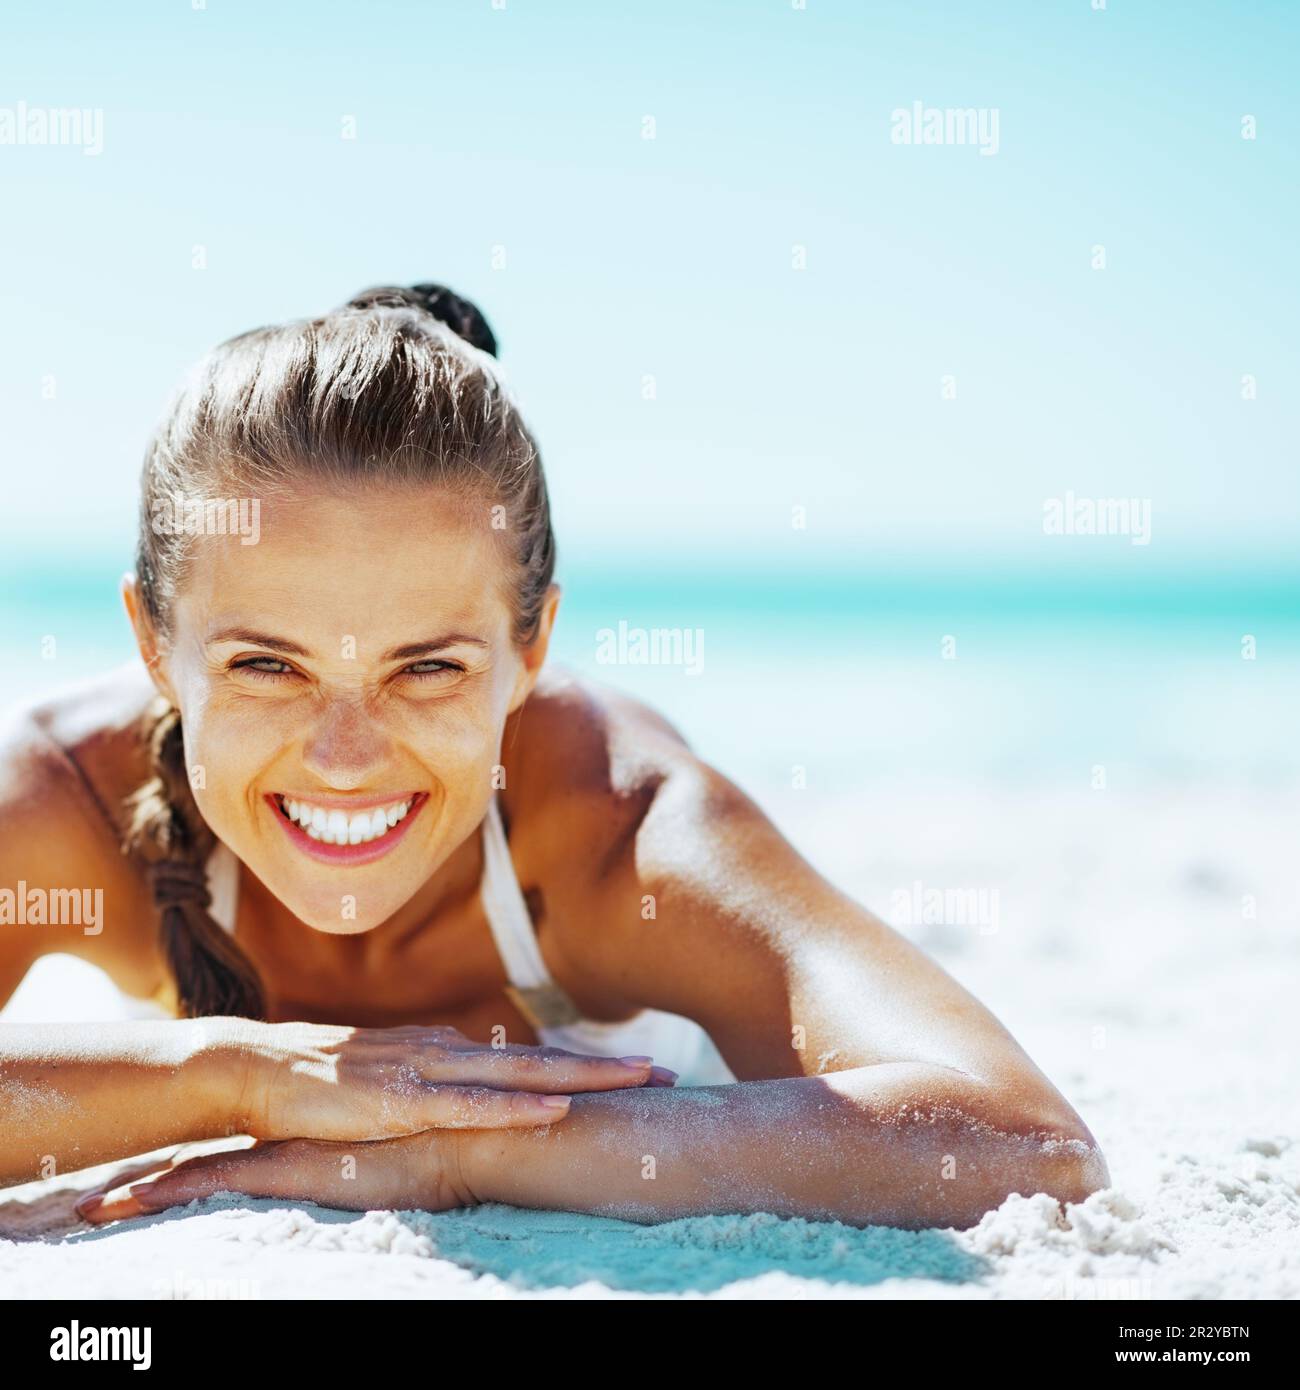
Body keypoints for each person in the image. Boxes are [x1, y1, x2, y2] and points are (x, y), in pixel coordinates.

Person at [0, 284, 1108, 1229]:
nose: (343, 758)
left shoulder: (621, 830)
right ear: (153, 641)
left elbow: (1021, 1137)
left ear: (530, 646)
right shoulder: (68, 802)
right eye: (266, 666)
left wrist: (456, 1149)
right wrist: (238, 1074)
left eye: (426, 668)